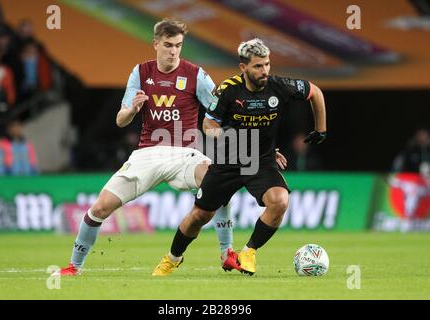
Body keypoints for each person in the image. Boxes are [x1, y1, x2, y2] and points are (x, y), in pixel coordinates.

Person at [55, 18, 242, 276]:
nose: (174, 51)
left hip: (184, 154)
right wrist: (132, 109)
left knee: (219, 181)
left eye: (178, 45)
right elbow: (121, 120)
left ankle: (227, 253)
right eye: (168, 45)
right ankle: (74, 267)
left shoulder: (196, 75)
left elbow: (221, 110)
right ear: (155, 44)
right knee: (99, 208)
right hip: (147, 154)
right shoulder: (141, 73)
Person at [152, 38, 327, 276]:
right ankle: (172, 259)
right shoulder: (228, 90)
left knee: (280, 201)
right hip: (227, 163)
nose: (264, 70)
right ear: (243, 67)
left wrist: (321, 129)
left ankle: (248, 252)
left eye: (266, 64)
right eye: (257, 66)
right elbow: (208, 122)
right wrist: (228, 138)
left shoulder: (279, 86)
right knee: (200, 216)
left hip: (260, 162)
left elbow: (314, 91)